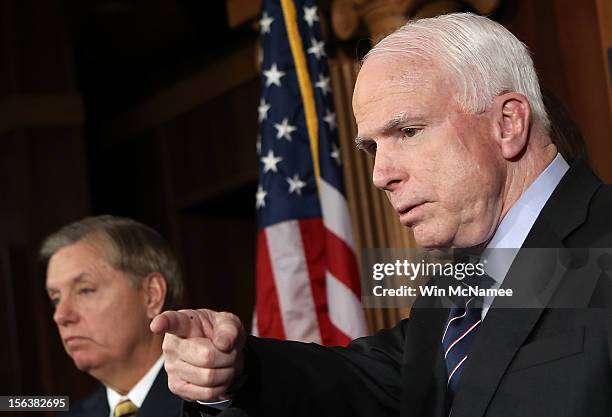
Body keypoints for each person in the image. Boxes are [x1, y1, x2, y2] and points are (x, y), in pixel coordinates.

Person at [151, 13, 612, 417]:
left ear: (507, 123)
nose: (379, 175)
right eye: (372, 147)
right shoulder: (461, 282)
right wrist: (238, 369)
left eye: (408, 131)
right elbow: (376, 380)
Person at [42, 215, 184, 417]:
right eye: (56, 299)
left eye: (85, 290)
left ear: (151, 295)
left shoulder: (212, 404)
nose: (60, 315)